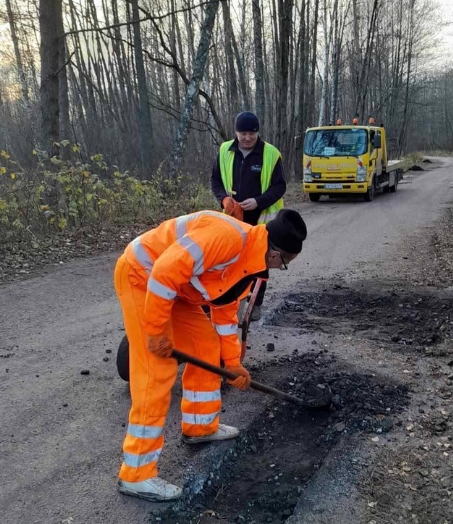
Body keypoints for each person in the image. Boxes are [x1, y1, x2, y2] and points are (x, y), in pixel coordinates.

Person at [113, 208, 307, 501]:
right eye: (286, 264)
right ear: (275, 254)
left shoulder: (250, 263)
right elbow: (165, 271)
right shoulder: (228, 239)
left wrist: (233, 365)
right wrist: (157, 332)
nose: (281, 269)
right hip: (144, 276)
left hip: (177, 290)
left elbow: (225, 313)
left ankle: (199, 426)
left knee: (206, 344)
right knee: (156, 371)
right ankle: (136, 474)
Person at [210, 111, 287, 321]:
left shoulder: (270, 154)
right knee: (231, 262)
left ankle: (255, 304)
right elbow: (215, 181)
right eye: (242, 133)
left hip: (260, 221)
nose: (247, 138)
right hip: (232, 219)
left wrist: (258, 201)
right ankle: (232, 301)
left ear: (257, 133)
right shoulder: (225, 150)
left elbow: (280, 186)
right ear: (236, 132)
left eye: (251, 133)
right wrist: (224, 199)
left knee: (259, 263)